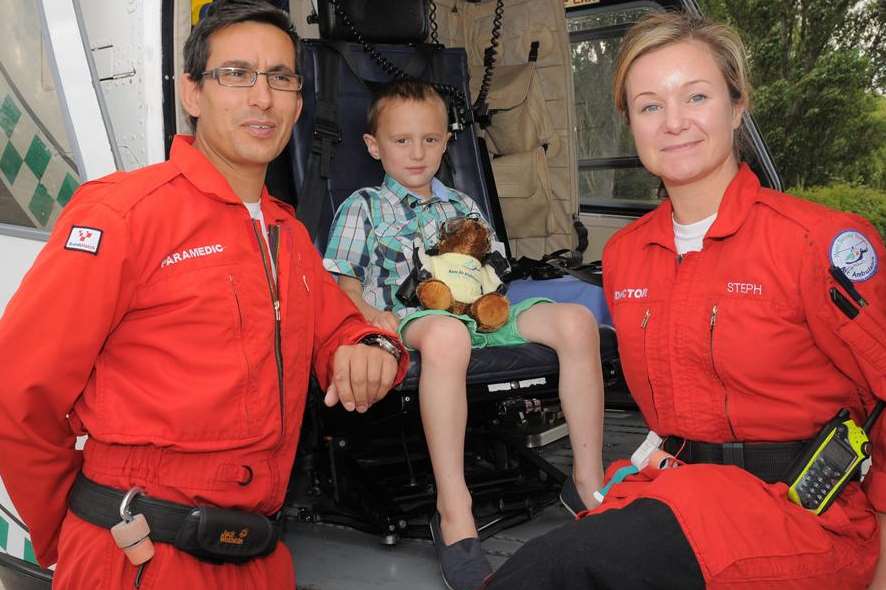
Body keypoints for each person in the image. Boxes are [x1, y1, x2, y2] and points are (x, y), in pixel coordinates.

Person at [0, 2, 409, 589]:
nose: (261, 97)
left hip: (259, 558)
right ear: (192, 93)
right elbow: (17, 390)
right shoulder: (124, 214)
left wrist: (375, 348)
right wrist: (72, 531)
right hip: (141, 556)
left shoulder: (286, 235)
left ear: (298, 100)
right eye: (236, 74)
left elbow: (345, 325)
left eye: (280, 78)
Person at [486, 11, 886, 590]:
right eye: (650, 106)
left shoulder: (816, 244)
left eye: (695, 97)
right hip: (673, 493)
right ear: (632, 123)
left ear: (737, 106)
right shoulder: (627, 255)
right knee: (532, 568)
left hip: (797, 515)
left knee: (565, 569)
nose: (674, 122)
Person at [323, 79, 605, 590]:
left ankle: (587, 481)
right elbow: (340, 280)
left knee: (577, 322)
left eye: (430, 140)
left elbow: (490, 268)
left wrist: (498, 301)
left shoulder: (462, 205)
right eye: (402, 141)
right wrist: (366, 310)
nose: (417, 153)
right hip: (411, 318)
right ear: (374, 146)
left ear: (446, 142)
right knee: (450, 335)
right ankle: (454, 510)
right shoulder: (362, 206)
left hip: (481, 313)